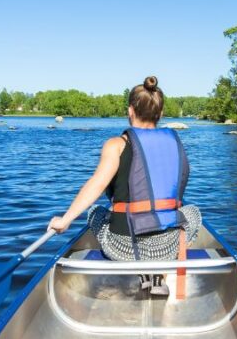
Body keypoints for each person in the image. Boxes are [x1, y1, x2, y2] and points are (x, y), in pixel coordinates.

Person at [48, 76, 201, 296]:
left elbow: (97, 184)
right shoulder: (175, 142)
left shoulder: (116, 144)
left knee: (96, 212)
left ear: (130, 110)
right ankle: (158, 277)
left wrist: (65, 220)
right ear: (161, 113)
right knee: (192, 211)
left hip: (126, 247)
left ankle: (144, 275)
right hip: (169, 245)